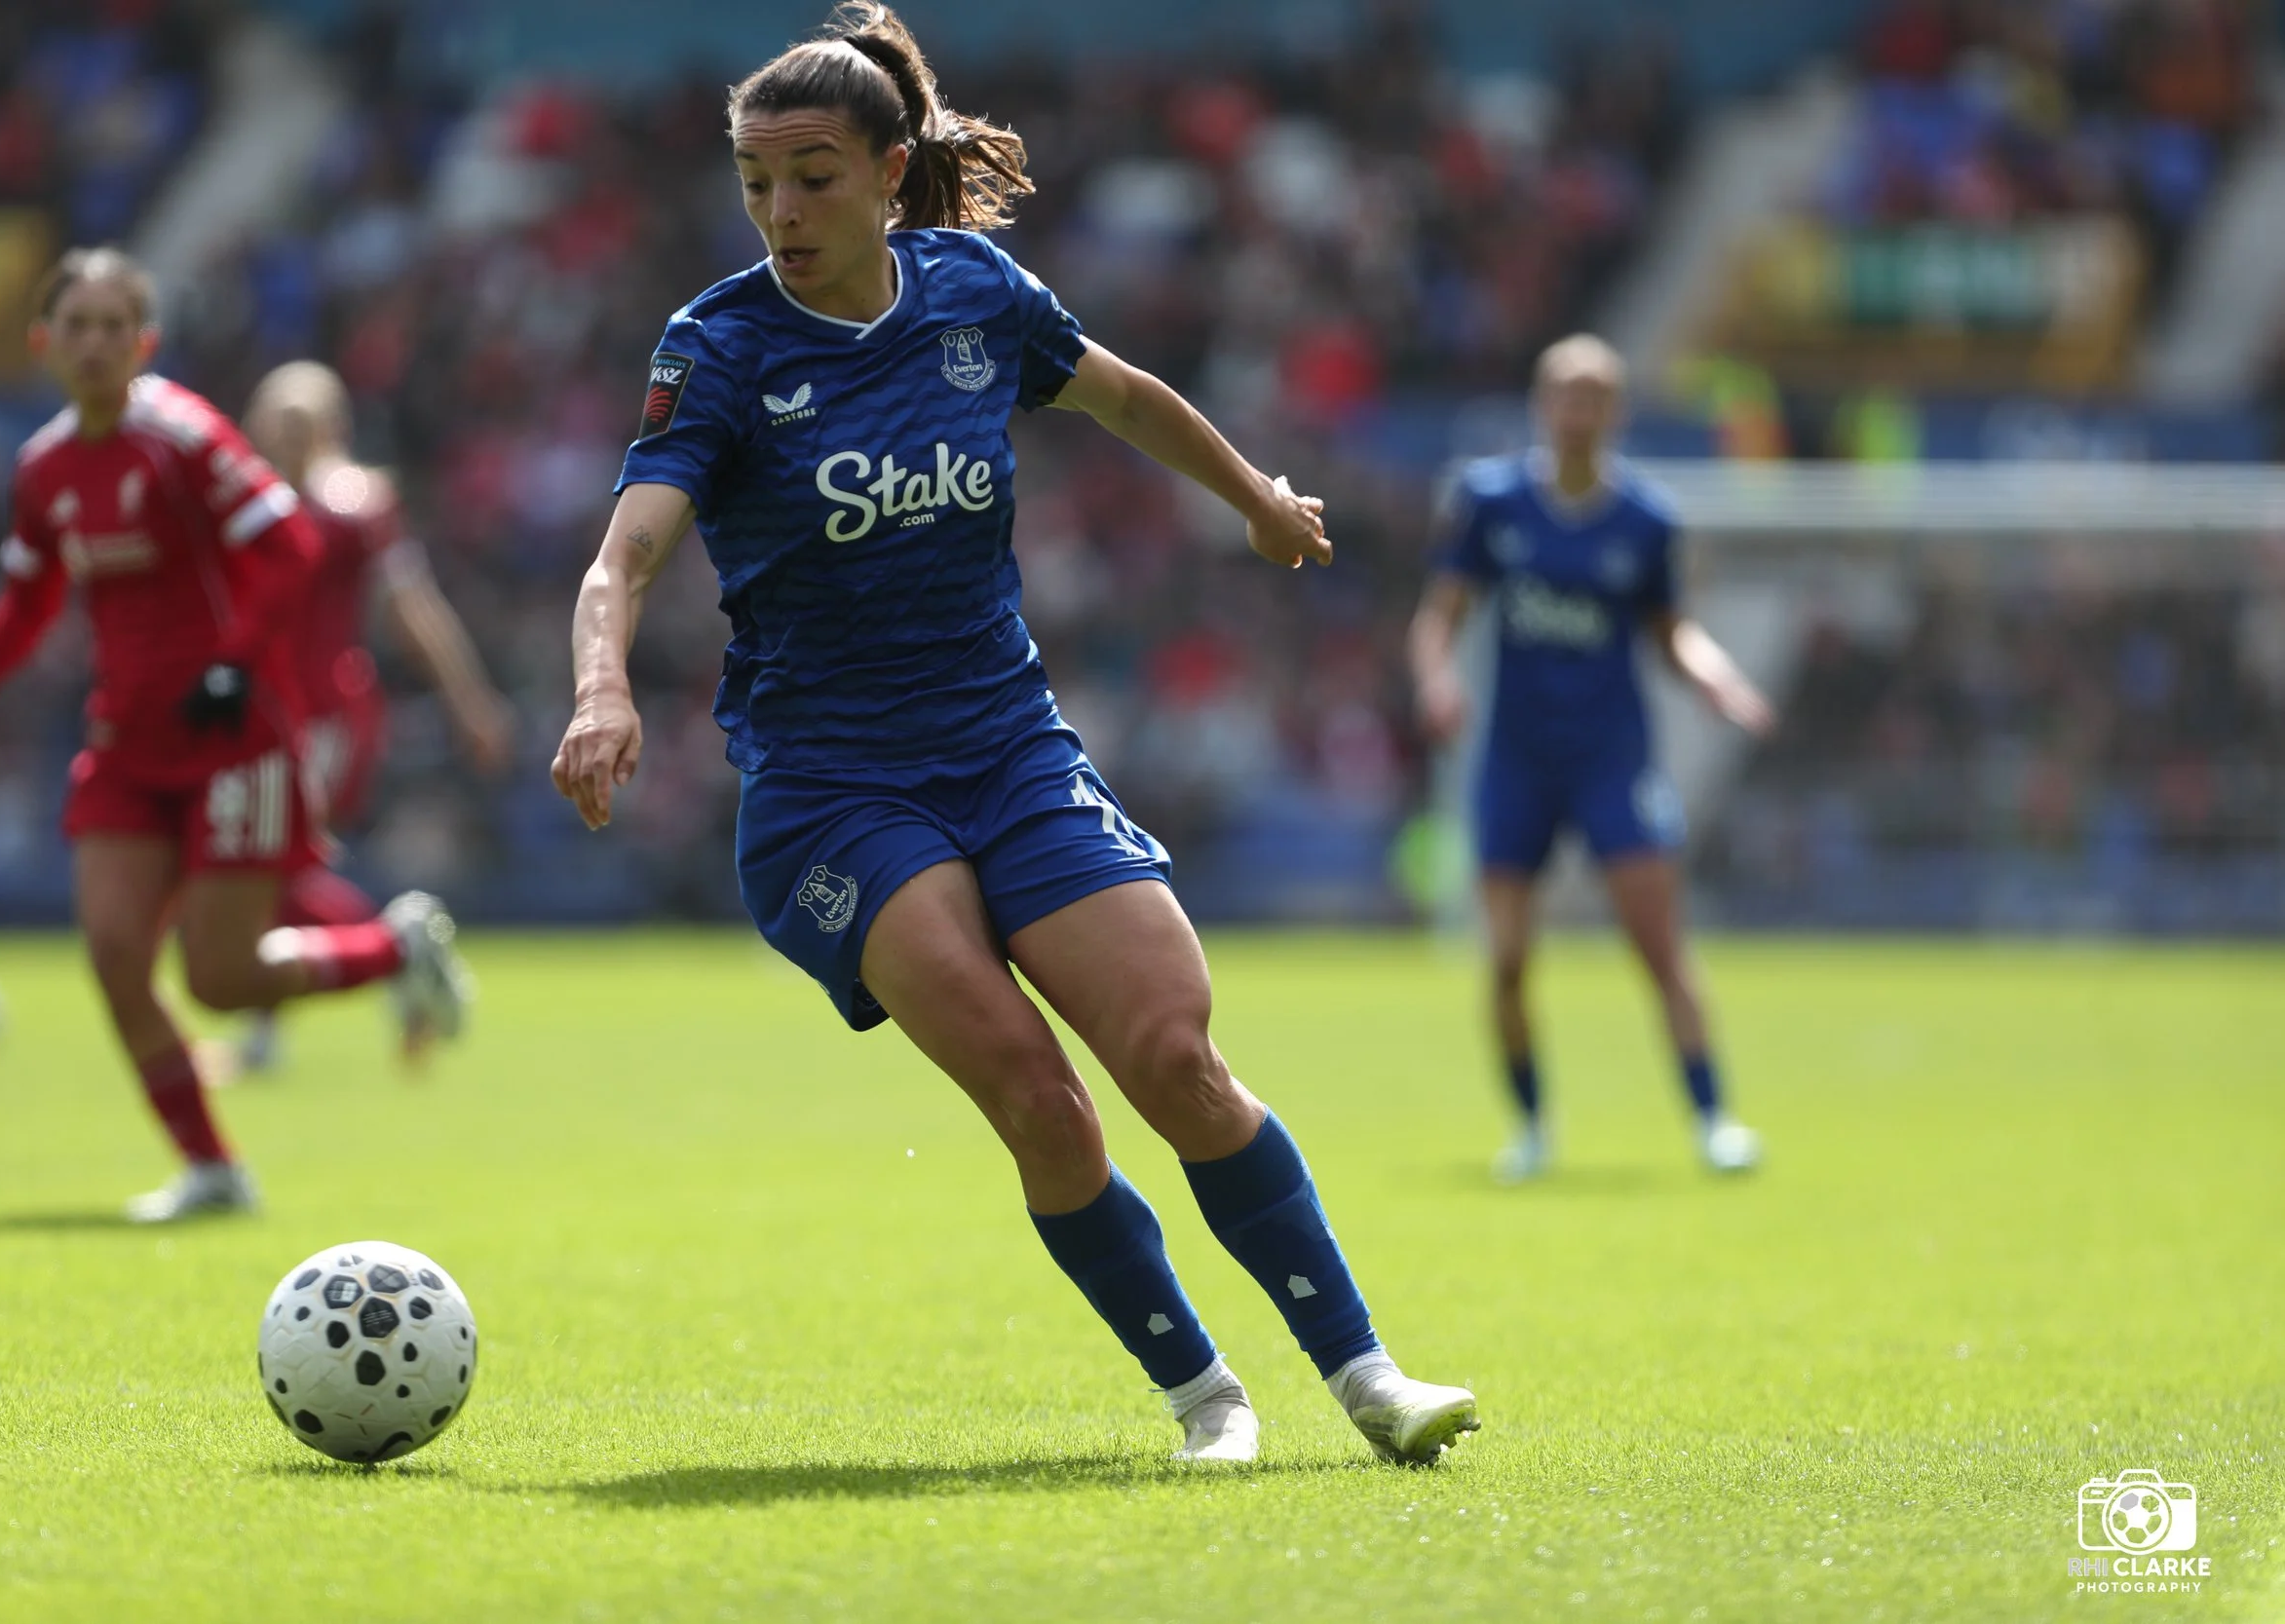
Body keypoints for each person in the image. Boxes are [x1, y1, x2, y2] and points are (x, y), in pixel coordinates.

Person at [552, 3, 1477, 1467]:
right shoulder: (718, 346)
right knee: (1037, 1091)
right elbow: (626, 556)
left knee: (1175, 1055)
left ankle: (1370, 1375)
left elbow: (1124, 394)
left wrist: (1252, 496)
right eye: (756, 182)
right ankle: (1205, 1397)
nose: (781, 211)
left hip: (1006, 745)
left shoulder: (976, 292)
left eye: (813, 176)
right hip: (835, 788)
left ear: (887, 168)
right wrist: (602, 683)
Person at [0, 247, 470, 1223]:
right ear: (42, 342)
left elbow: (289, 544)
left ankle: (394, 949)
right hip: (127, 740)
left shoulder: (182, 435)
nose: (94, 345)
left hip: (233, 735)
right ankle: (213, 1167)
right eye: (75, 327)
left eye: (112, 327)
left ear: (144, 343)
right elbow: (30, 593)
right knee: (112, 951)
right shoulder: (45, 465)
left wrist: (232, 660)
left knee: (219, 977)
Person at [1405, 334, 1772, 1184]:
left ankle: (1714, 1117)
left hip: (1613, 760)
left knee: (1658, 946)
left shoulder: (1646, 521)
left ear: (1616, 411)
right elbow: (1440, 616)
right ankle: (1531, 1127)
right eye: (1564, 395)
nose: (1577, 411)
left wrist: (1720, 683)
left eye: (1593, 397)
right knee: (1505, 958)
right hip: (1518, 761)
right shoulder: (1492, 504)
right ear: (1542, 405)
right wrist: (1435, 682)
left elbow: (1671, 630)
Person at [233, 360, 514, 1071]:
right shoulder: (244, 504)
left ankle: (392, 955)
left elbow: (413, 610)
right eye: (273, 420)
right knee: (258, 869)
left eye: (300, 421)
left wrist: (469, 700)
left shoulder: (354, 506)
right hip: (257, 714)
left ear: (335, 429)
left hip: (323, 713)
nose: (283, 436)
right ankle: (390, 962)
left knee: (270, 867)